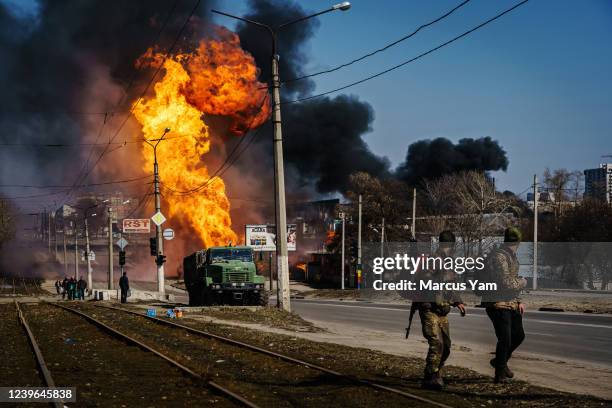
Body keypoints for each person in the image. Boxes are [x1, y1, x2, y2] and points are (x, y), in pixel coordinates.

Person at [410, 230, 466, 390]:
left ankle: (436, 372)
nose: (448, 249)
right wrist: (442, 277)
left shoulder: (449, 262)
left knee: (446, 346)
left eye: (449, 246)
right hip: (429, 308)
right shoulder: (432, 260)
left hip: (442, 309)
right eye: (447, 246)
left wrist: (458, 302)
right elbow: (425, 281)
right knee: (437, 343)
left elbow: (451, 286)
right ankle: (430, 377)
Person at [482, 227, 527, 383]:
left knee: (519, 335)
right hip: (497, 304)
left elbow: (511, 281)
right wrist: (523, 282)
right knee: (505, 339)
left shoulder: (511, 256)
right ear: (518, 242)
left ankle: (499, 362)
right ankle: (499, 374)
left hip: (510, 303)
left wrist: (519, 300)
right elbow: (506, 283)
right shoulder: (499, 257)